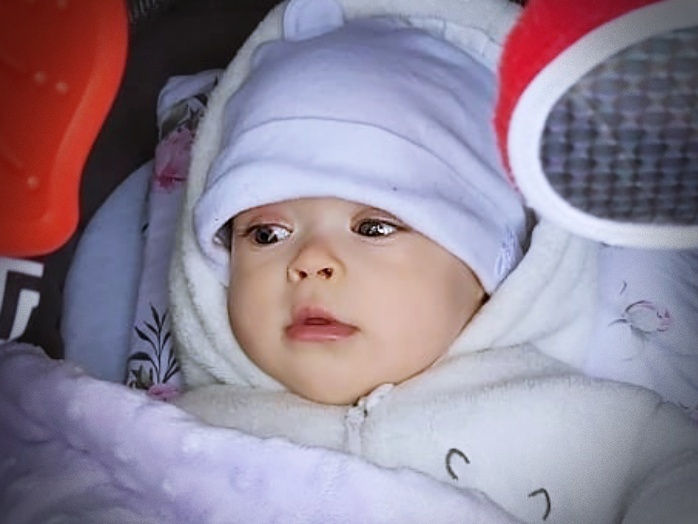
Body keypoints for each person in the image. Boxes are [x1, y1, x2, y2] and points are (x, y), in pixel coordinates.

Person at [170, 0, 698, 522]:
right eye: (267, 234)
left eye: (374, 228)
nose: (310, 261)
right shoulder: (179, 434)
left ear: (488, 274)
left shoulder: (582, 428)